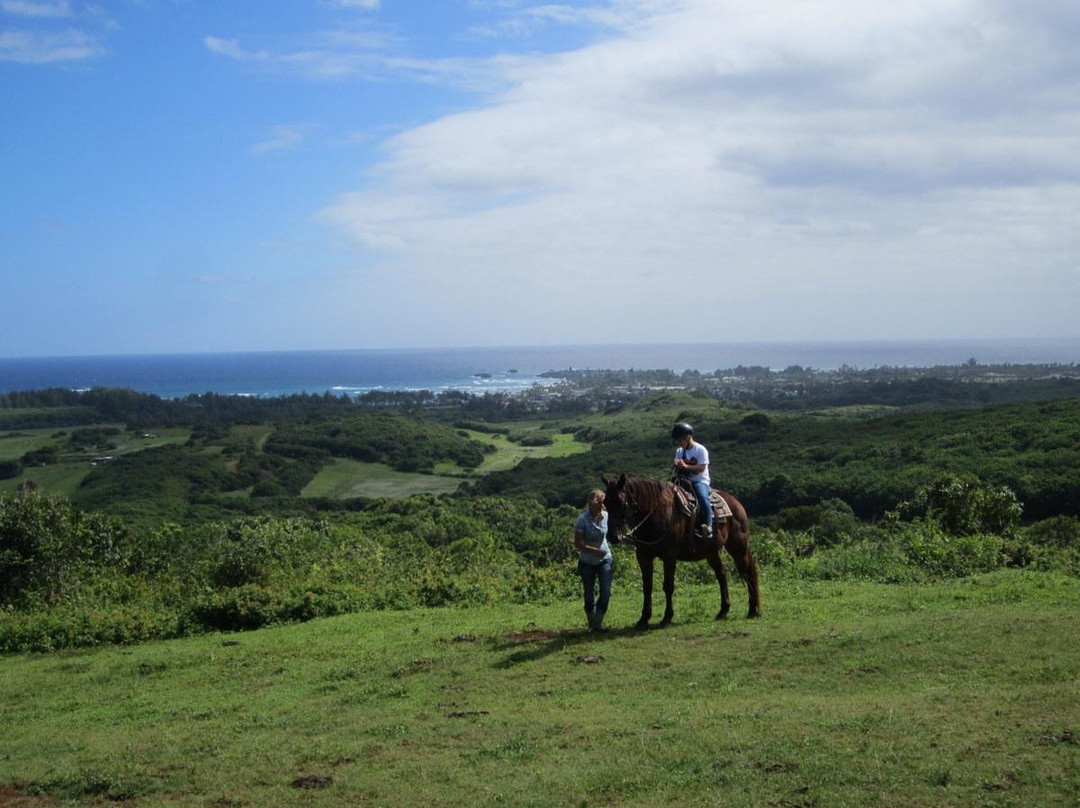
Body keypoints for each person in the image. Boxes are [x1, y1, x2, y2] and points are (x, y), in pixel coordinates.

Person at [574, 488, 613, 633]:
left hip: (605, 559)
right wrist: (595, 551)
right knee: (589, 595)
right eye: (599, 501)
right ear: (591, 502)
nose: (602, 504)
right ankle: (591, 622)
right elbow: (578, 543)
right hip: (587, 561)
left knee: (605, 592)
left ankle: (597, 624)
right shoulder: (582, 520)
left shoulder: (606, 516)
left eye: (603, 502)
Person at [671, 422, 713, 541]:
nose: (679, 443)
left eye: (680, 440)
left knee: (702, 497)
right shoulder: (680, 451)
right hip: (683, 480)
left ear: (688, 437)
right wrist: (676, 464)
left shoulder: (700, 450)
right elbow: (676, 461)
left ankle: (709, 525)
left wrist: (686, 467)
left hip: (699, 480)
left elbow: (701, 468)